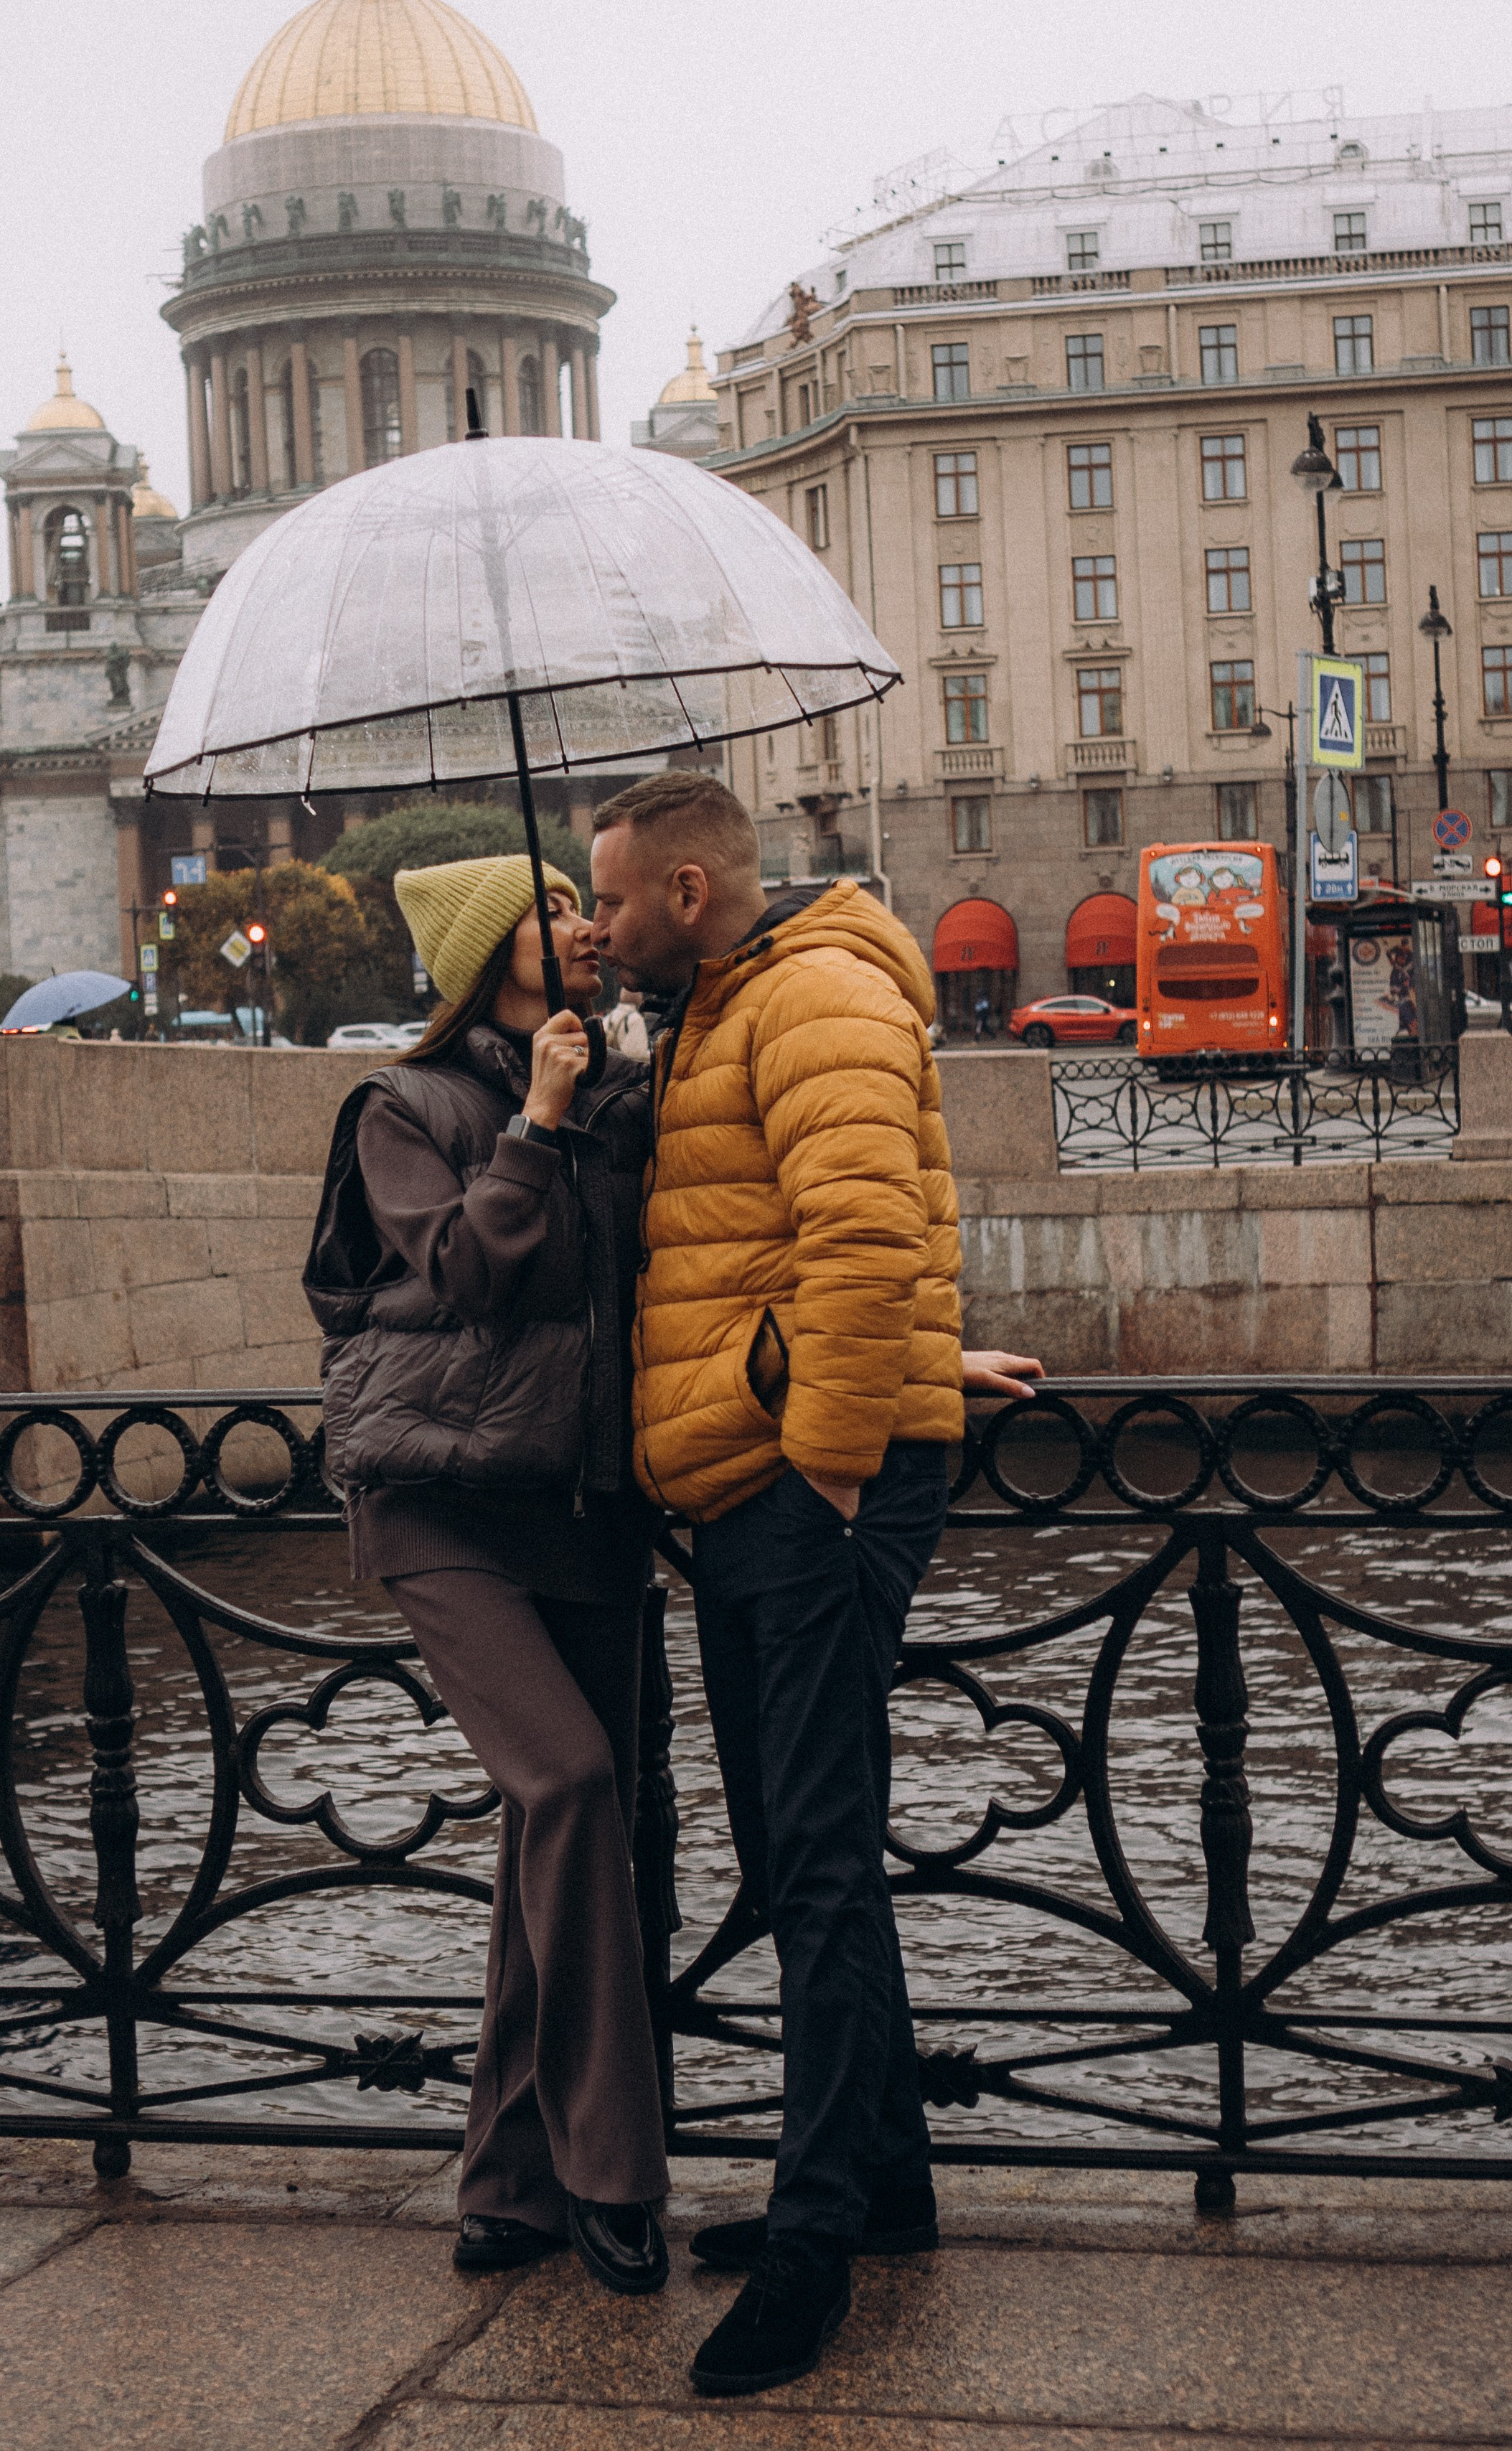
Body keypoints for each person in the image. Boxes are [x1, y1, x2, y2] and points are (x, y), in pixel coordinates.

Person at [588, 772, 1042, 2399]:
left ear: (692, 887)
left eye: (617, 899)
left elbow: (858, 1236)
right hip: (761, 1469)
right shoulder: (722, 1003)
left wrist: (836, 1453)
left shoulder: (818, 992)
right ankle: (890, 2176)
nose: (599, 922)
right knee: (799, 1844)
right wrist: (911, 1364)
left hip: (804, 1482)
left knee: (821, 1857)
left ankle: (813, 2237)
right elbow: (796, 1234)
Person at [303, 855, 671, 2297]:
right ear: (487, 950)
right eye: (554, 909)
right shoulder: (406, 1105)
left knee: (565, 1828)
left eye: (587, 904)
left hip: (585, 1502)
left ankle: (506, 2174)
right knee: (572, 1783)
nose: (583, 922)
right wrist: (537, 1119)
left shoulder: (622, 1089)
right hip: (439, 1498)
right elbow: (464, 1265)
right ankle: (611, 2170)